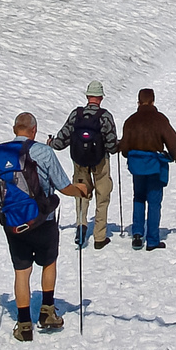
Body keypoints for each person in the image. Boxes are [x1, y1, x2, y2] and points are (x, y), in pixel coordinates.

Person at [0, 112, 89, 342]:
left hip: (12, 223)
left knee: (22, 272)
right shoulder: (44, 152)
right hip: (43, 221)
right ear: (34, 130)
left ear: (14, 129)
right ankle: (47, 311)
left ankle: (23, 325)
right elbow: (63, 186)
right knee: (48, 263)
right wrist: (80, 189)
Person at [48, 80, 120, 249]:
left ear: (88, 96)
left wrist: (51, 143)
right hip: (100, 162)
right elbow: (111, 146)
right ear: (101, 98)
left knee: (81, 193)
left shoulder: (76, 115)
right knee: (102, 196)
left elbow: (61, 141)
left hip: (79, 161)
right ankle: (100, 236)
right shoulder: (105, 116)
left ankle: (81, 225)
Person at [119, 88, 176, 251]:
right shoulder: (159, 119)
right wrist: (174, 155)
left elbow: (124, 147)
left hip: (137, 166)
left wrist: (131, 155)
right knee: (154, 202)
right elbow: (173, 140)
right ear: (153, 101)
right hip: (154, 166)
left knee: (138, 197)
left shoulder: (130, 121)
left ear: (138, 102)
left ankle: (138, 234)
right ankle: (152, 240)